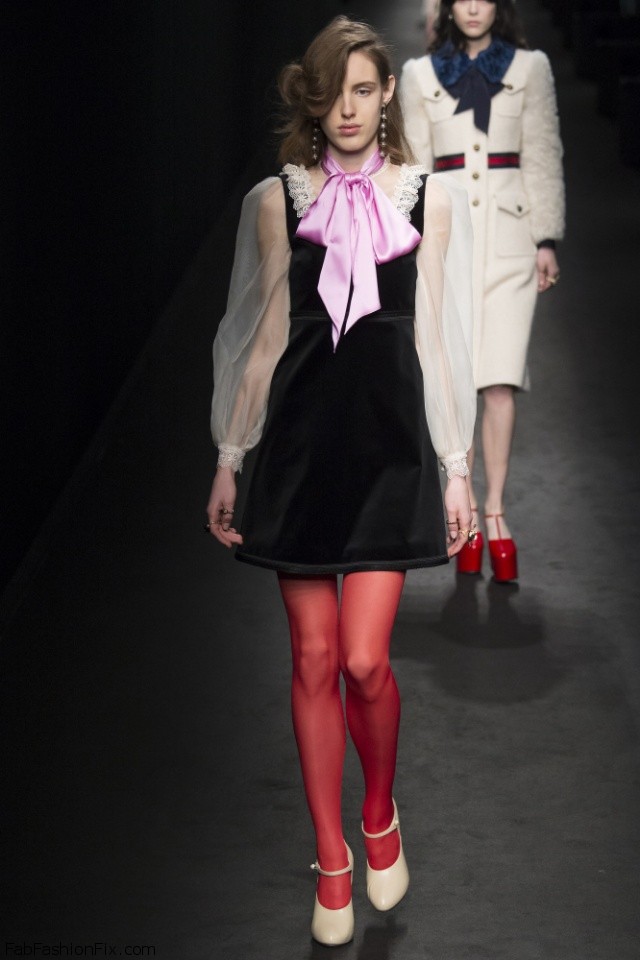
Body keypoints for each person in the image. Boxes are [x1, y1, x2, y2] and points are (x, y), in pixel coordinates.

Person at [206, 16, 476, 946]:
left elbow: (437, 339)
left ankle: (378, 811)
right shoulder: (276, 201)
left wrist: (456, 468)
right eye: (331, 94)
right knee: (314, 660)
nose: (348, 109)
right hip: (299, 456)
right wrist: (230, 457)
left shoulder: (427, 199)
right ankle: (330, 861)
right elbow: (258, 343)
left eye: (363, 89)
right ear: (311, 102)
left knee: (365, 660)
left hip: (391, 454)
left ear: (387, 92)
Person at [401, 0, 565, 581]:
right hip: (448, 246)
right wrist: (409, 247)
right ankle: (464, 509)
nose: (473, 6)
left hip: (511, 242)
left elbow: (542, 153)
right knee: (458, 377)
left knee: (499, 380)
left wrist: (546, 237)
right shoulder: (420, 75)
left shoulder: (530, 68)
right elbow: (413, 168)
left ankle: (494, 511)